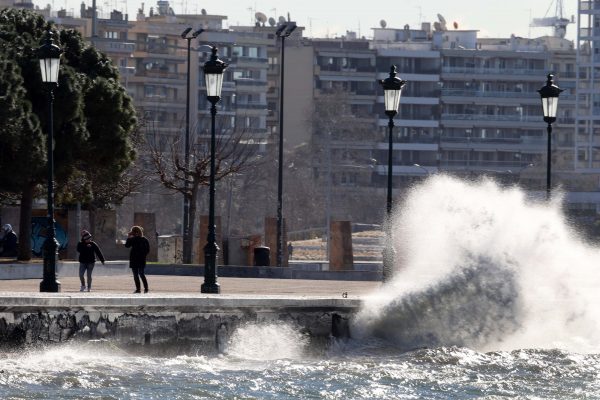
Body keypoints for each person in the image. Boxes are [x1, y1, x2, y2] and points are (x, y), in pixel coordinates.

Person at [125, 225, 150, 293]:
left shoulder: (133, 239)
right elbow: (147, 250)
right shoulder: (145, 239)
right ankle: (146, 288)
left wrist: (128, 237)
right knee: (141, 274)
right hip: (141, 259)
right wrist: (143, 255)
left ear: (134, 232)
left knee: (136, 275)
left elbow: (127, 246)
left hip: (134, 259)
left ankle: (138, 289)